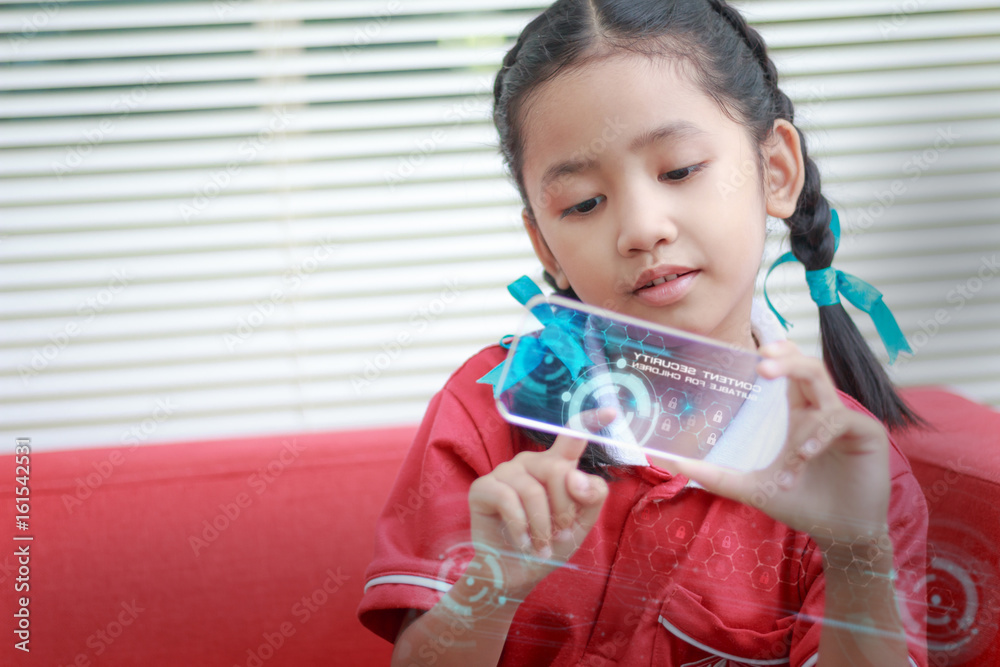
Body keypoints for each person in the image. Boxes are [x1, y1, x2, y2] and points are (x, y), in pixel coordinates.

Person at [358, 1, 930, 665]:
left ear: (775, 171)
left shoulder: (846, 466)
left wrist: (857, 554)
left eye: (680, 170)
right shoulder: (489, 406)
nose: (641, 228)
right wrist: (490, 591)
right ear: (544, 244)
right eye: (583, 203)